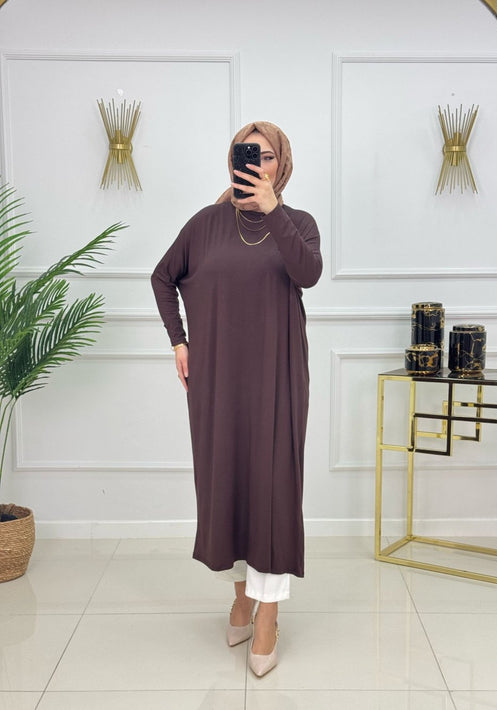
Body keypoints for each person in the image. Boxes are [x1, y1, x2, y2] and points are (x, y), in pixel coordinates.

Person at [151, 121, 322, 676]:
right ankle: (243, 595)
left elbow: (308, 274)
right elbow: (162, 277)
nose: (255, 164)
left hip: (278, 376)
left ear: (282, 165)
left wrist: (272, 211)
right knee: (227, 484)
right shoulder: (205, 224)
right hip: (218, 379)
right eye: (246, 155)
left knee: (273, 487)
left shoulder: (299, 224)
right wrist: (179, 341)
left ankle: (267, 613)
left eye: (266, 156)